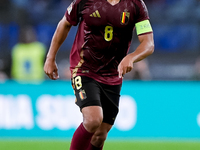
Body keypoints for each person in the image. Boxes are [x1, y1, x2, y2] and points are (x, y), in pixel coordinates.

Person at [44, 0, 154, 149]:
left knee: (100, 135)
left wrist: (131, 57)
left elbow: (148, 43)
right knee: (93, 119)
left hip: (113, 75)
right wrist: (50, 58)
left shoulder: (135, 4)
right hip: (84, 68)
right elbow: (65, 23)